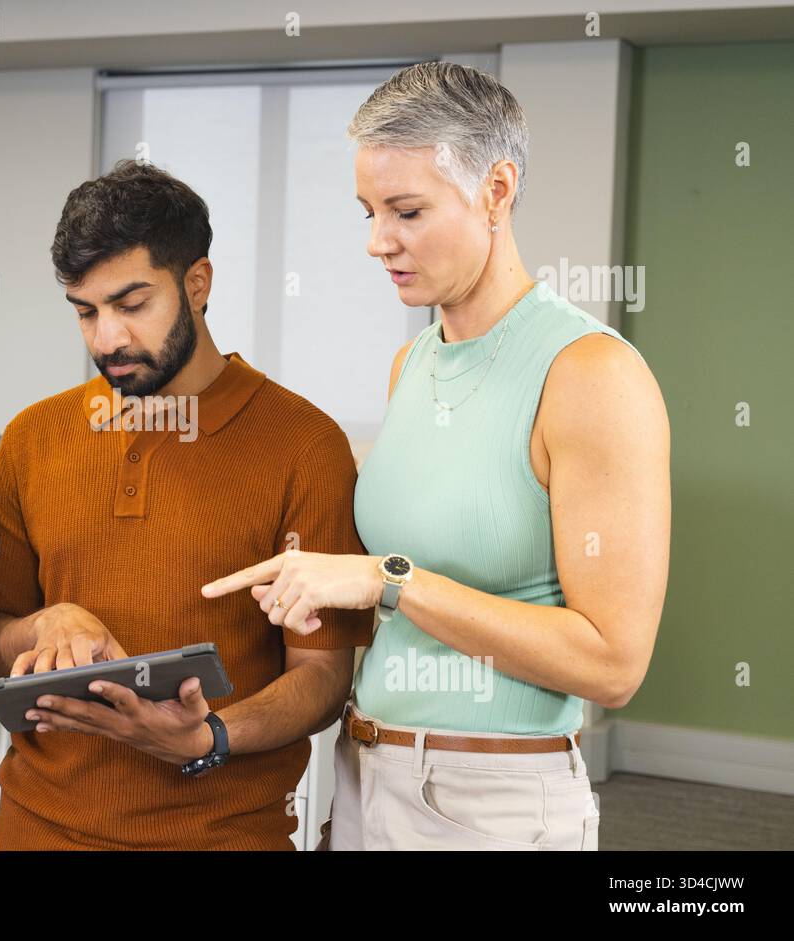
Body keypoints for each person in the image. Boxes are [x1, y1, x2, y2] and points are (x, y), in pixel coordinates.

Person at [203, 62, 671, 851]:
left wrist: (388, 580)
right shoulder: (412, 364)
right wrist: (324, 586)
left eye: (407, 210)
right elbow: (414, 592)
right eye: (369, 211)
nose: (377, 241)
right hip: (365, 771)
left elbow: (612, 662)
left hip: (491, 801)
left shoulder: (591, 374)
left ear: (496, 190)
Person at [0, 160, 372, 850]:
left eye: (131, 305)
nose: (106, 339)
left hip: (224, 836)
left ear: (198, 284)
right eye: (85, 311)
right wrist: (40, 627)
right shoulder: (34, 438)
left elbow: (323, 676)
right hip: (37, 831)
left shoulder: (306, 446)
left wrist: (207, 735)